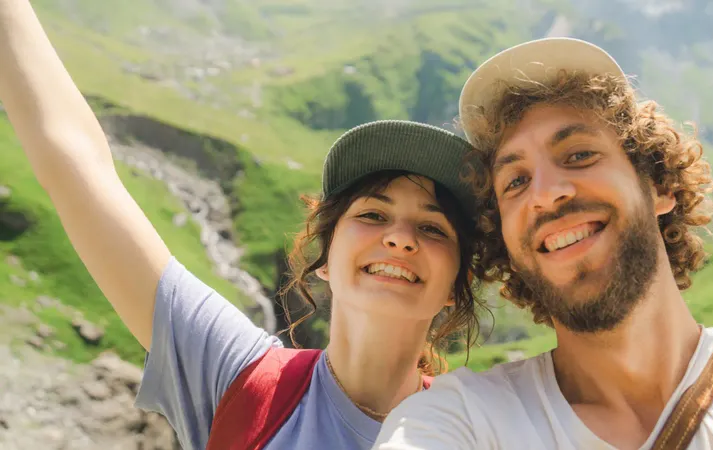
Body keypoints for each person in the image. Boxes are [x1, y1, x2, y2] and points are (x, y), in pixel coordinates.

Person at [0, 1, 486, 449]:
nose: (399, 237)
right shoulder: (240, 375)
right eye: (372, 215)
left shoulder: (484, 431)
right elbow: (73, 164)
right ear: (323, 260)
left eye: (433, 228)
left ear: (455, 286)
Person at [374, 37, 713, 449]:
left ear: (659, 185)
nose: (548, 193)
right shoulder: (456, 421)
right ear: (506, 243)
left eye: (578, 155)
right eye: (515, 182)